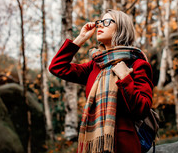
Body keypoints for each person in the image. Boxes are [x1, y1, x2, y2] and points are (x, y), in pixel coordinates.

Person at [49, 9, 153, 153]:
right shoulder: (95, 65)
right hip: (93, 145)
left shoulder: (137, 64)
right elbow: (57, 67)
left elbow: (143, 109)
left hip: (124, 146)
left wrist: (125, 78)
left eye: (107, 22)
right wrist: (80, 38)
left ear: (121, 28)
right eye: (100, 22)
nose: (100, 25)